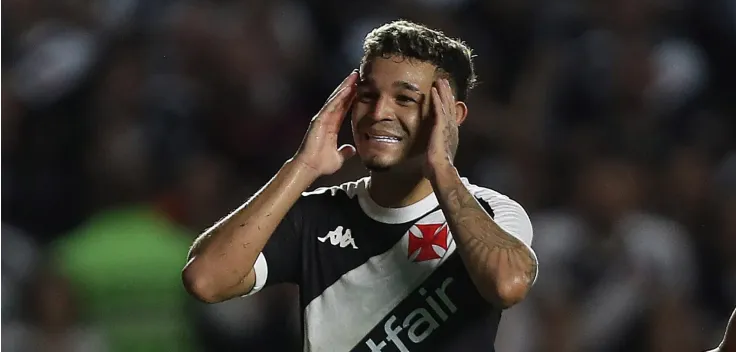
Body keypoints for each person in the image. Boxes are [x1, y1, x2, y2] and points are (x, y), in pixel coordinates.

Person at [182, 20, 538, 351]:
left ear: (452, 117)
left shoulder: (491, 211)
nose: (379, 111)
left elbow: (508, 284)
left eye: (405, 99)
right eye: (367, 95)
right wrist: (303, 166)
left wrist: (442, 168)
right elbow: (205, 279)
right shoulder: (315, 215)